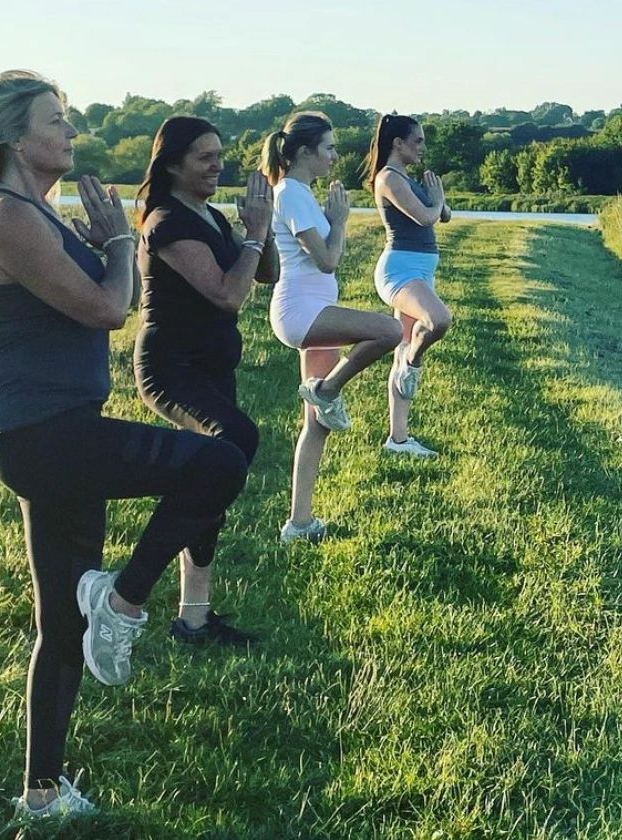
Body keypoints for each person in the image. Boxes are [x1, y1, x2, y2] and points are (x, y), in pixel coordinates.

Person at [0, 71, 248, 820]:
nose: (71, 132)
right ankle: (122, 603)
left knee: (61, 622)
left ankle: (41, 792)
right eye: (55, 121)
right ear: (11, 135)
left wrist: (106, 242)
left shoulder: (35, 211)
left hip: (52, 430)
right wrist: (120, 243)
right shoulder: (2, 216)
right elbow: (107, 309)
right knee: (220, 461)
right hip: (41, 432)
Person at [134, 116, 277, 642]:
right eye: (205, 157)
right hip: (172, 369)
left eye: (220, 155)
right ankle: (129, 588)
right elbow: (226, 294)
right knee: (233, 446)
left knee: (211, 480)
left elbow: (268, 275)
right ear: (172, 164)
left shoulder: (211, 215)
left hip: (214, 368)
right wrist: (254, 237)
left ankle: (194, 618)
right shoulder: (168, 221)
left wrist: (264, 228)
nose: (219, 165)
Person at [261, 112, 400, 542]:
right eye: (329, 148)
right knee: (389, 332)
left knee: (316, 424)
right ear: (304, 152)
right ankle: (328, 389)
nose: (335, 157)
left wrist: (331, 218)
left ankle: (298, 523)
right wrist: (338, 220)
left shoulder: (297, 193)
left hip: (311, 308)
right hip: (301, 312)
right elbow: (328, 259)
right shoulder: (292, 193)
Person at [364, 114, 452, 458]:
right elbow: (427, 216)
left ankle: (397, 440)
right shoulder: (388, 178)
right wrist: (437, 198)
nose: (423, 147)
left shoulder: (408, 179)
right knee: (438, 320)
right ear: (397, 143)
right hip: (399, 271)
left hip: (419, 270)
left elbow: (444, 215)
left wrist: (436, 200)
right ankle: (413, 364)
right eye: (417, 141)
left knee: (400, 349)